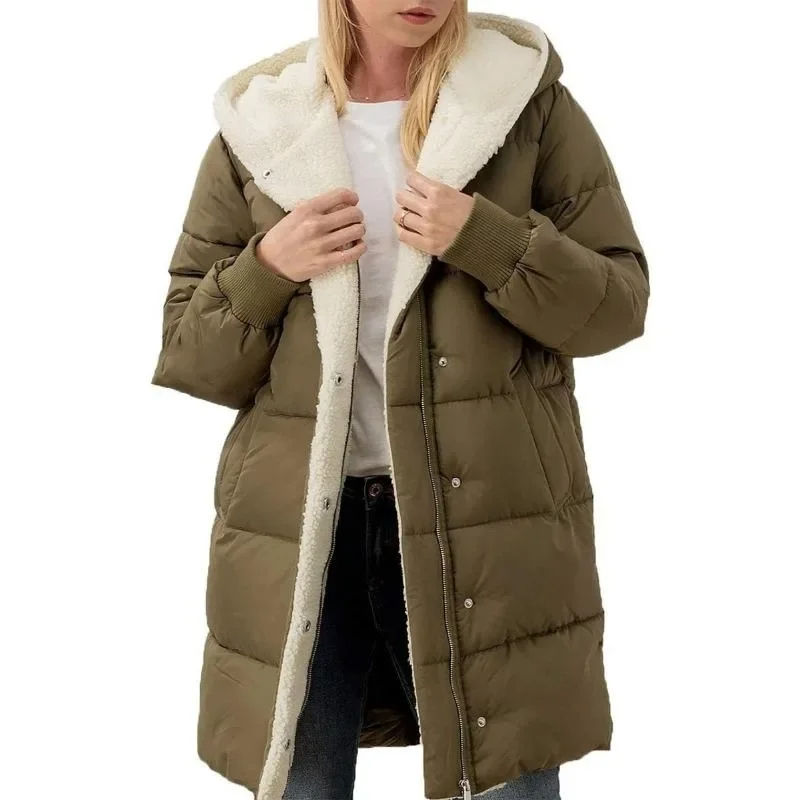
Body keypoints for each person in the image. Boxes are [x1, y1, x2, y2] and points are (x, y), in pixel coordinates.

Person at [150, 2, 649, 799]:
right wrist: (266, 268)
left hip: (487, 516)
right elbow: (190, 354)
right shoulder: (265, 127)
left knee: (504, 785)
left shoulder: (521, 107)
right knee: (302, 786)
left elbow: (617, 307)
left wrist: (489, 241)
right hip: (306, 527)